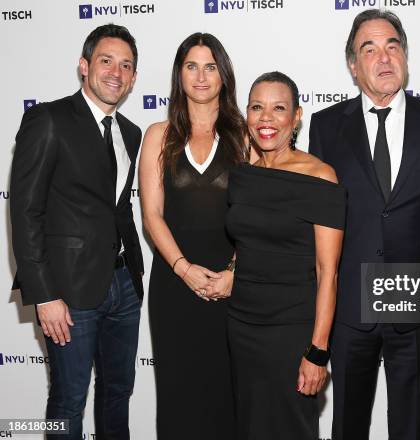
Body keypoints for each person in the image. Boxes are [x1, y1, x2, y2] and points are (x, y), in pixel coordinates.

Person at [308, 9, 420, 440]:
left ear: (405, 56)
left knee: (410, 427)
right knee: (347, 425)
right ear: (352, 65)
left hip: (415, 303)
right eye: (370, 49)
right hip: (348, 307)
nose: (384, 58)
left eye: (392, 47)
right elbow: (319, 219)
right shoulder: (326, 126)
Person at [10, 24, 144, 439]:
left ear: (134, 78)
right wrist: (44, 294)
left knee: (118, 391)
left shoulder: (132, 133)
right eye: (106, 61)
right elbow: (25, 212)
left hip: (124, 283)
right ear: (84, 66)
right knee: (68, 399)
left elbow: (114, 209)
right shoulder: (48, 119)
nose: (115, 73)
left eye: (126, 65)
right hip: (67, 290)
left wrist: (133, 277)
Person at [226, 71, 345, 439]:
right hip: (241, 323)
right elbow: (245, 242)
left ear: (296, 117)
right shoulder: (243, 174)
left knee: (291, 427)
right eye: (257, 107)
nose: (266, 118)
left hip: (292, 328)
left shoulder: (320, 177)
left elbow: (329, 273)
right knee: (249, 426)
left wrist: (318, 351)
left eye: (279, 109)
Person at [139, 33, 247, 439]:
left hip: (233, 286)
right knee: (178, 394)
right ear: (179, 74)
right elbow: (152, 214)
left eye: (210, 66)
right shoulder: (158, 135)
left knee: (229, 394)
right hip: (174, 284)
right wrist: (183, 269)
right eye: (191, 66)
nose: (201, 76)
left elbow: (257, 218)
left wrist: (235, 272)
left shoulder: (246, 137)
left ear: (224, 74)